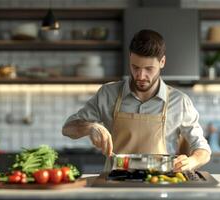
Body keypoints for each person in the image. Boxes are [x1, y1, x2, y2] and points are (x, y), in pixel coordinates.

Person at [62, 29, 211, 172]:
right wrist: (89, 127)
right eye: (135, 67)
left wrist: (192, 161)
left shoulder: (180, 102)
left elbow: (203, 149)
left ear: (162, 62)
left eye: (148, 69)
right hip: (116, 185)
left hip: (160, 185)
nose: (140, 75)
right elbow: (68, 128)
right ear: (130, 58)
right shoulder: (108, 94)